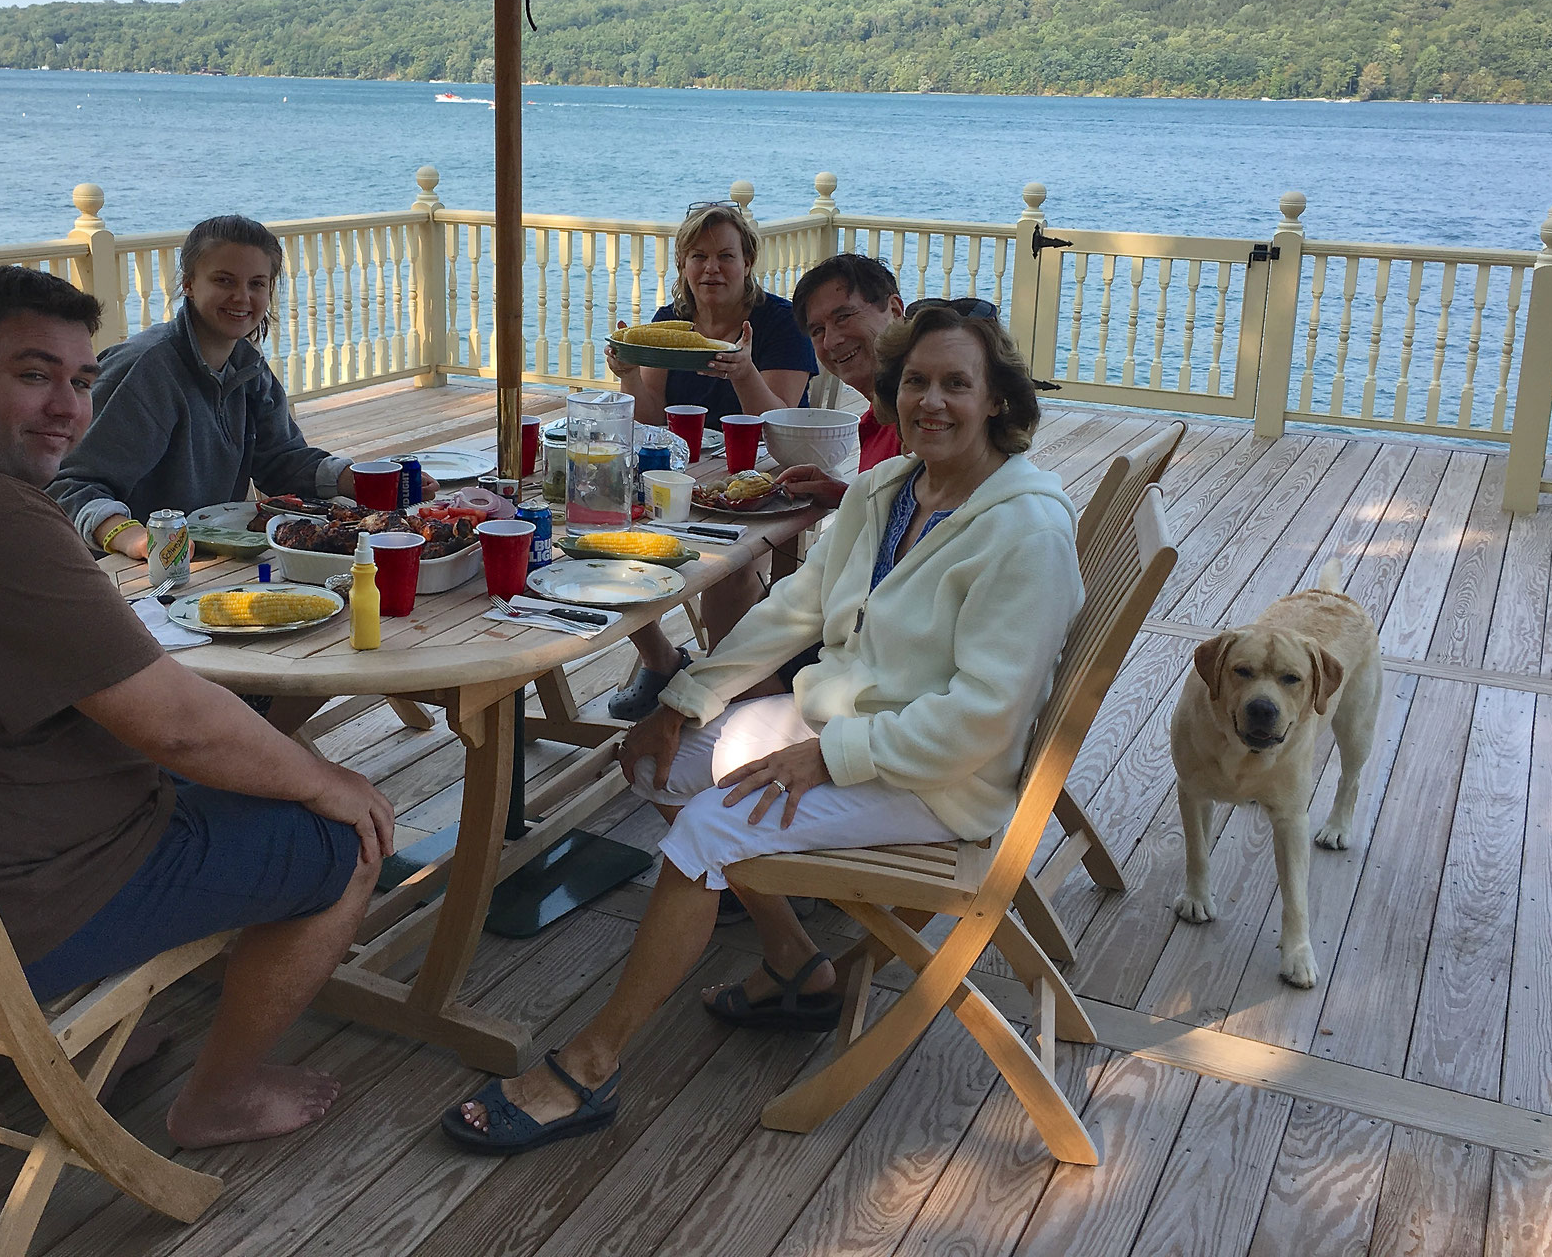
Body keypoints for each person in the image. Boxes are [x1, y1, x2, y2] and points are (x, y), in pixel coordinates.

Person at [0, 265, 395, 1151]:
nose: (67, 406)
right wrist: (328, 782)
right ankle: (220, 1094)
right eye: (32, 375)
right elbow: (172, 720)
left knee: (232, 760)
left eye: (82, 380)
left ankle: (117, 1033)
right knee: (341, 831)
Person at [441, 303, 1081, 1154]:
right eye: (916, 382)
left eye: (956, 384)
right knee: (657, 767)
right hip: (852, 728)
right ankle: (794, 960)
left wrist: (827, 756)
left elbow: (984, 718)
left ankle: (591, 1064)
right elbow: (797, 607)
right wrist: (684, 700)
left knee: (705, 829)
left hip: (938, 777)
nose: (932, 401)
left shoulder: (1023, 529)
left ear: (998, 398)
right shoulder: (896, 489)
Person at [601, 202, 818, 721]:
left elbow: (781, 425)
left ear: (748, 262)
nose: (711, 269)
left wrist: (744, 373)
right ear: (682, 265)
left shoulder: (780, 322)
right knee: (599, 535)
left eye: (725, 255)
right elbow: (651, 420)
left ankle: (726, 697)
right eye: (698, 256)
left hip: (768, 478)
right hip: (684, 471)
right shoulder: (670, 321)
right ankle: (661, 659)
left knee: (728, 570)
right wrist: (629, 374)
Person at [50, 214, 364, 559]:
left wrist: (362, 479)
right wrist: (136, 539)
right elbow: (69, 484)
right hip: (124, 570)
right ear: (188, 283)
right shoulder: (146, 369)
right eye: (224, 281)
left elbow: (280, 462)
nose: (241, 297)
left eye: (257, 284)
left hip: (211, 558)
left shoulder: (249, 368)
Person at [779, 252, 912, 506]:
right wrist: (845, 495)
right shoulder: (877, 417)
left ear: (895, 310)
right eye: (818, 330)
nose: (831, 341)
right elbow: (894, 511)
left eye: (843, 317)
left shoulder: (923, 414)